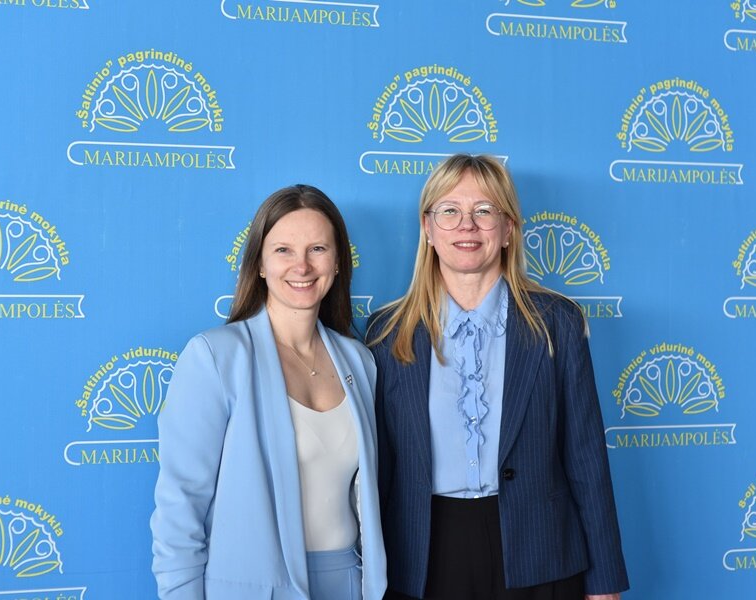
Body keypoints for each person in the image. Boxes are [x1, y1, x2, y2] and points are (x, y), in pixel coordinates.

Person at [366, 155, 629, 600]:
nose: (466, 225)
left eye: (484, 210)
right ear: (428, 229)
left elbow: (586, 456)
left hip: (540, 551)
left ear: (508, 229)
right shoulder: (386, 333)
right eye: (449, 211)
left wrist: (605, 579)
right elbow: (380, 470)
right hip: (422, 556)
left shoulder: (557, 323)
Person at [151, 185, 387, 600]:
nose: (302, 265)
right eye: (283, 250)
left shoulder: (360, 362)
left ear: (337, 262)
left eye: (317, 249)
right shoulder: (214, 358)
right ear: (259, 263)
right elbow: (180, 505)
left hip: (349, 582)